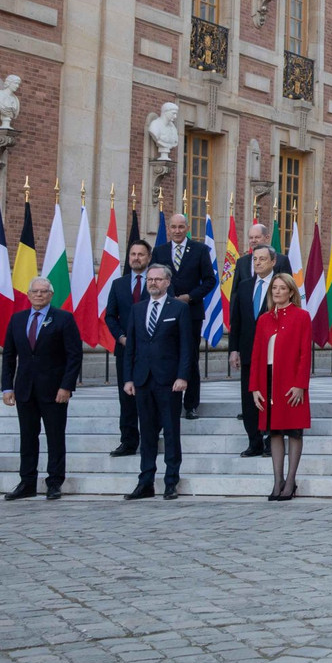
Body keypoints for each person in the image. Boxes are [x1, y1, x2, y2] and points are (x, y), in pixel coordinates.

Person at [0, 276, 80, 500]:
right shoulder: (17, 319)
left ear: (51, 295)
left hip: (54, 390)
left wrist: (66, 386)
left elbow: (74, 356)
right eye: (34, 291)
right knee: (27, 437)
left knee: (55, 437)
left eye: (43, 291)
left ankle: (54, 482)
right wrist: (7, 387)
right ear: (28, 295)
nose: (39, 295)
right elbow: (8, 356)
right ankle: (27, 482)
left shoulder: (63, 319)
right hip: (25, 389)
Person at [121, 264, 197, 500]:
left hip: (169, 380)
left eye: (157, 279)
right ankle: (145, 481)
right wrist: (128, 378)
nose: (152, 283)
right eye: (149, 279)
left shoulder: (179, 308)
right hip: (143, 379)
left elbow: (187, 346)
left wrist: (183, 376)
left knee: (171, 431)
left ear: (167, 282)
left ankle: (171, 481)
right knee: (147, 432)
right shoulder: (137, 309)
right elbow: (131, 347)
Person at [249, 272, 312, 501]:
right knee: (274, 430)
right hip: (268, 379)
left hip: (291, 381)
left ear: (291, 292)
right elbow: (256, 354)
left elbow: (306, 354)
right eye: (274, 288)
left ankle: (291, 481)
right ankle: (277, 481)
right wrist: (255, 387)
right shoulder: (264, 319)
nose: (277, 291)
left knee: (294, 430)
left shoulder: (302, 316)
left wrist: (300, 385)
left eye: (281, 288)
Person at [152, 213, 216, 417]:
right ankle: (169, 401)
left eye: (181, 227)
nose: (177, 231)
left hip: (191, 313)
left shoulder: (200, 250)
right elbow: (153, 279)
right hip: (166, 314)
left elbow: (209, 281)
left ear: (187, 228)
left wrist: (190, 296)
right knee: (168, 356)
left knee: (190, 356)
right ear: (168, 229)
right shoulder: (159, 251)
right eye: (173, 227)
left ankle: (191, 404)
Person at [102, 238, 153, 458]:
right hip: (125, 350)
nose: (136, 258)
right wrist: (121, 337)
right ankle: (128, 440)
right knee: (126, 397)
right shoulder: (118, 284)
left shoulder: (156, 282)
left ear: (148, 258)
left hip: (151, 352)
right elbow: (110, 316)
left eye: (141, 255)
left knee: (149, 397)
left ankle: (151, 437)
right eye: (133, 254)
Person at [227, 246, 278, 460]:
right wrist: (233, 350)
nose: (257, 263)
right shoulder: (245, 287)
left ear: (273, 262)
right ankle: (254, 441)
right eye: (255, 259)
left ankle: (271, 441)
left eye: (262, 259)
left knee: (271, 397)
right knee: (250, 398)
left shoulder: (280, 286)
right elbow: (236, 321)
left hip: (274, 353)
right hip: (248, 351)